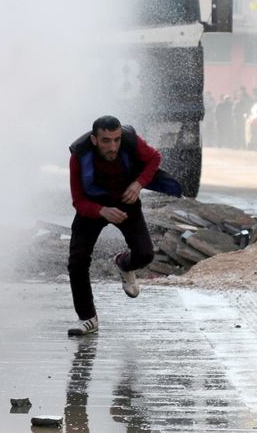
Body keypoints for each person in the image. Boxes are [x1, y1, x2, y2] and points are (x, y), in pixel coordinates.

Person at [66, 116, 180, 336]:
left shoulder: (131, 140)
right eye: (106, 141)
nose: (113, 147)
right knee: (77, 262)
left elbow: (155, 158)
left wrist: (138, 184)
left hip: (126, 201)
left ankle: (124, 264)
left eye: (117, 140)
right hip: (92, 206)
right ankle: (87, 318)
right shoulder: (79, 155)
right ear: (94, 140)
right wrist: (101, 211)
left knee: (145, 255)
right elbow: (78, 200)